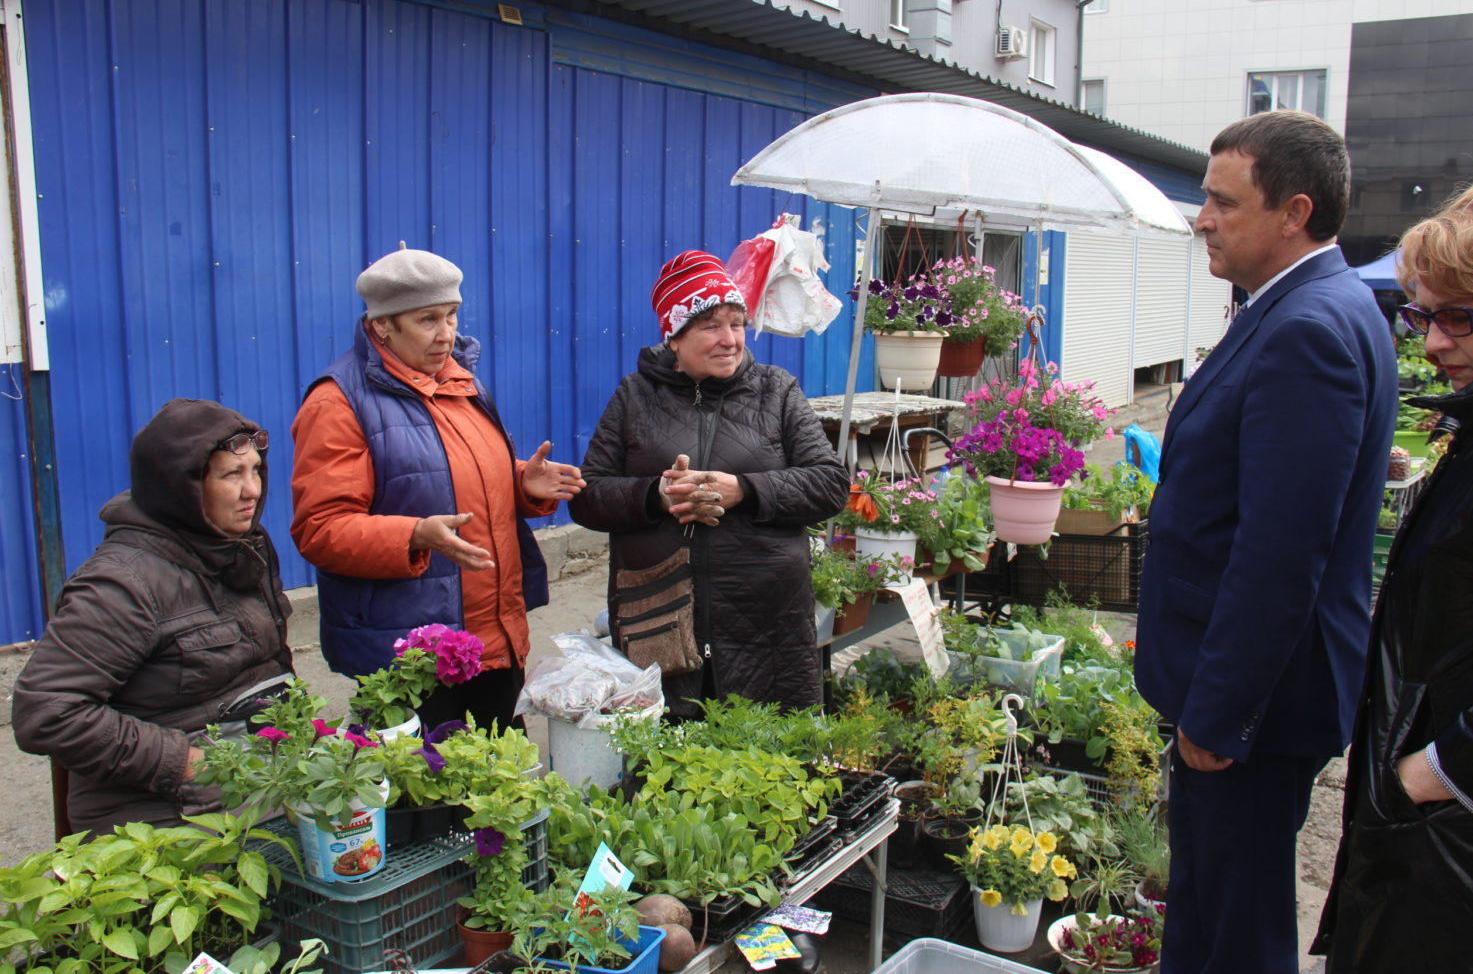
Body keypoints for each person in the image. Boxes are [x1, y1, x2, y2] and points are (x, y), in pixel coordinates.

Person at [1133, 110, 1397, 974]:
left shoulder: (1309, 328)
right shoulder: (1299, 305)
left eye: (1222, 201)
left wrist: (1219, 712)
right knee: (1209, 908)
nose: (1201, 217)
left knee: (1235, 927)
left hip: (1255, 702)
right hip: (1253, 689)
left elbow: (1282, 553)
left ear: (1294, 211)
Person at [1313, 178, 1473, 972]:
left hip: (1465, 847)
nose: (1432, 343)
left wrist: (1439, 771)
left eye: (1460, 316)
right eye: (1423, 315)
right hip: (1433, 834)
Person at [290, 245, 585, 731]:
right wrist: (413, 535)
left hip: (494, 638)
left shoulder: (460, 381)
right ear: (383, 325)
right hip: (415, 653)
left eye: (452, 315)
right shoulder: (338, 403)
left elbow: (446, 474)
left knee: (500, 788)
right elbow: (320, 529)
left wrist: (520, 482)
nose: (447, 334)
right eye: (428, 319)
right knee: (426, 793)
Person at [569, 250, 847, 716]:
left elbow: (830, 484)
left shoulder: (777, 391)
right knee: (670, 769)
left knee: (771, 760)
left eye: (737, 323)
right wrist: (655, 495)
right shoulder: (634, 397)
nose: (729, 340)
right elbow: (588, 498)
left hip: (766, 620)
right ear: (673, 337)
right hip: (662, 616)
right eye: (711, 326)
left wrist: (745, 489)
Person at [12, 399, 294, 834]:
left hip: (248, 776)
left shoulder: (238, 546)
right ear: (180, 487)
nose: (252, 490)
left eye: (255, 470)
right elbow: (47, 712)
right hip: (164, 811)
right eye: (231, 475)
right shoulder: (124, 584)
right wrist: (184, 763)